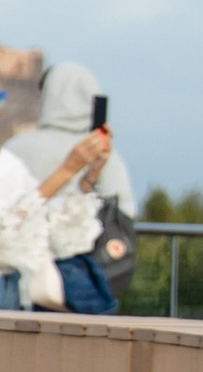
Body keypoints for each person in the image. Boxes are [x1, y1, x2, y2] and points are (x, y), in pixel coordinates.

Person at [4, 63, 139, 310]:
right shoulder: (106, 155)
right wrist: (75, 172)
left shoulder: (15, 149)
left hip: (18, 280)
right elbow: (123, 214)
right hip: (72, 281)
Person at [0, 123, 117, 311]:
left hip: (12, 289)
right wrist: (67, 170)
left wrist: (89, 176)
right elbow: (6, 229)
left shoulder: (9, 162)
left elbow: (48, 224)